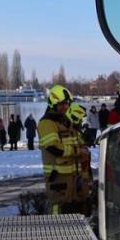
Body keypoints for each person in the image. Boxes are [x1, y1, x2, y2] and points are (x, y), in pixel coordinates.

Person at [38, 86, 79, 214]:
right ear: (53, 103)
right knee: (58, 210)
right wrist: (77, 151)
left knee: (68, 210)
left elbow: (75, 140)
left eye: (67, 104)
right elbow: (53, 147)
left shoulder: (64, 121)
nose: (66, 107)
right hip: (57, 177)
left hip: (69, 176)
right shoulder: (47, 123)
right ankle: (54, 232)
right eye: (62, 104)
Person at [66, 102, 94, 216]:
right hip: (77, 175)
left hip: (83, 174)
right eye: (80, 119)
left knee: (84, 203)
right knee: (77, 204)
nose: (82, 122)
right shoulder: (70, 133)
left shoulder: (76, 132)